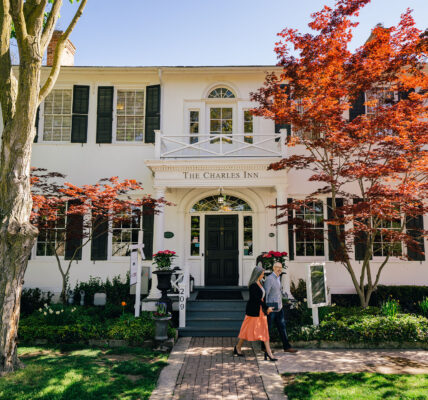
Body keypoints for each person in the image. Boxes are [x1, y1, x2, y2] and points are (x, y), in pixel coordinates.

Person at [234, 266, 277, 361]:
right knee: (246, 330)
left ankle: (268, 352)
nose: (263, 275)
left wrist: (266, 308)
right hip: (253, 311)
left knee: (265, 331)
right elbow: (257, 299)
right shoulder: (253, 285)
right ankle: (238, 347)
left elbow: (262, 298)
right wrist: (267, 307)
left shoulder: (261, 283)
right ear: (257, 274)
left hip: (261, 311)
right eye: (262, 273)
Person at [264, 261, 298, 353]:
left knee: (282, 328)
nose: (279, 269)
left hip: (279, 308)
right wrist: (266, 308)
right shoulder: (270, 279)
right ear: (273, 268)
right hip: (271, 308)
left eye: (280, 267)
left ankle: (286, 347)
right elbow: (266, 294)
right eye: (277, 267)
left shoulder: (278, 278)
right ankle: (265, 348)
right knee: (268, 329)